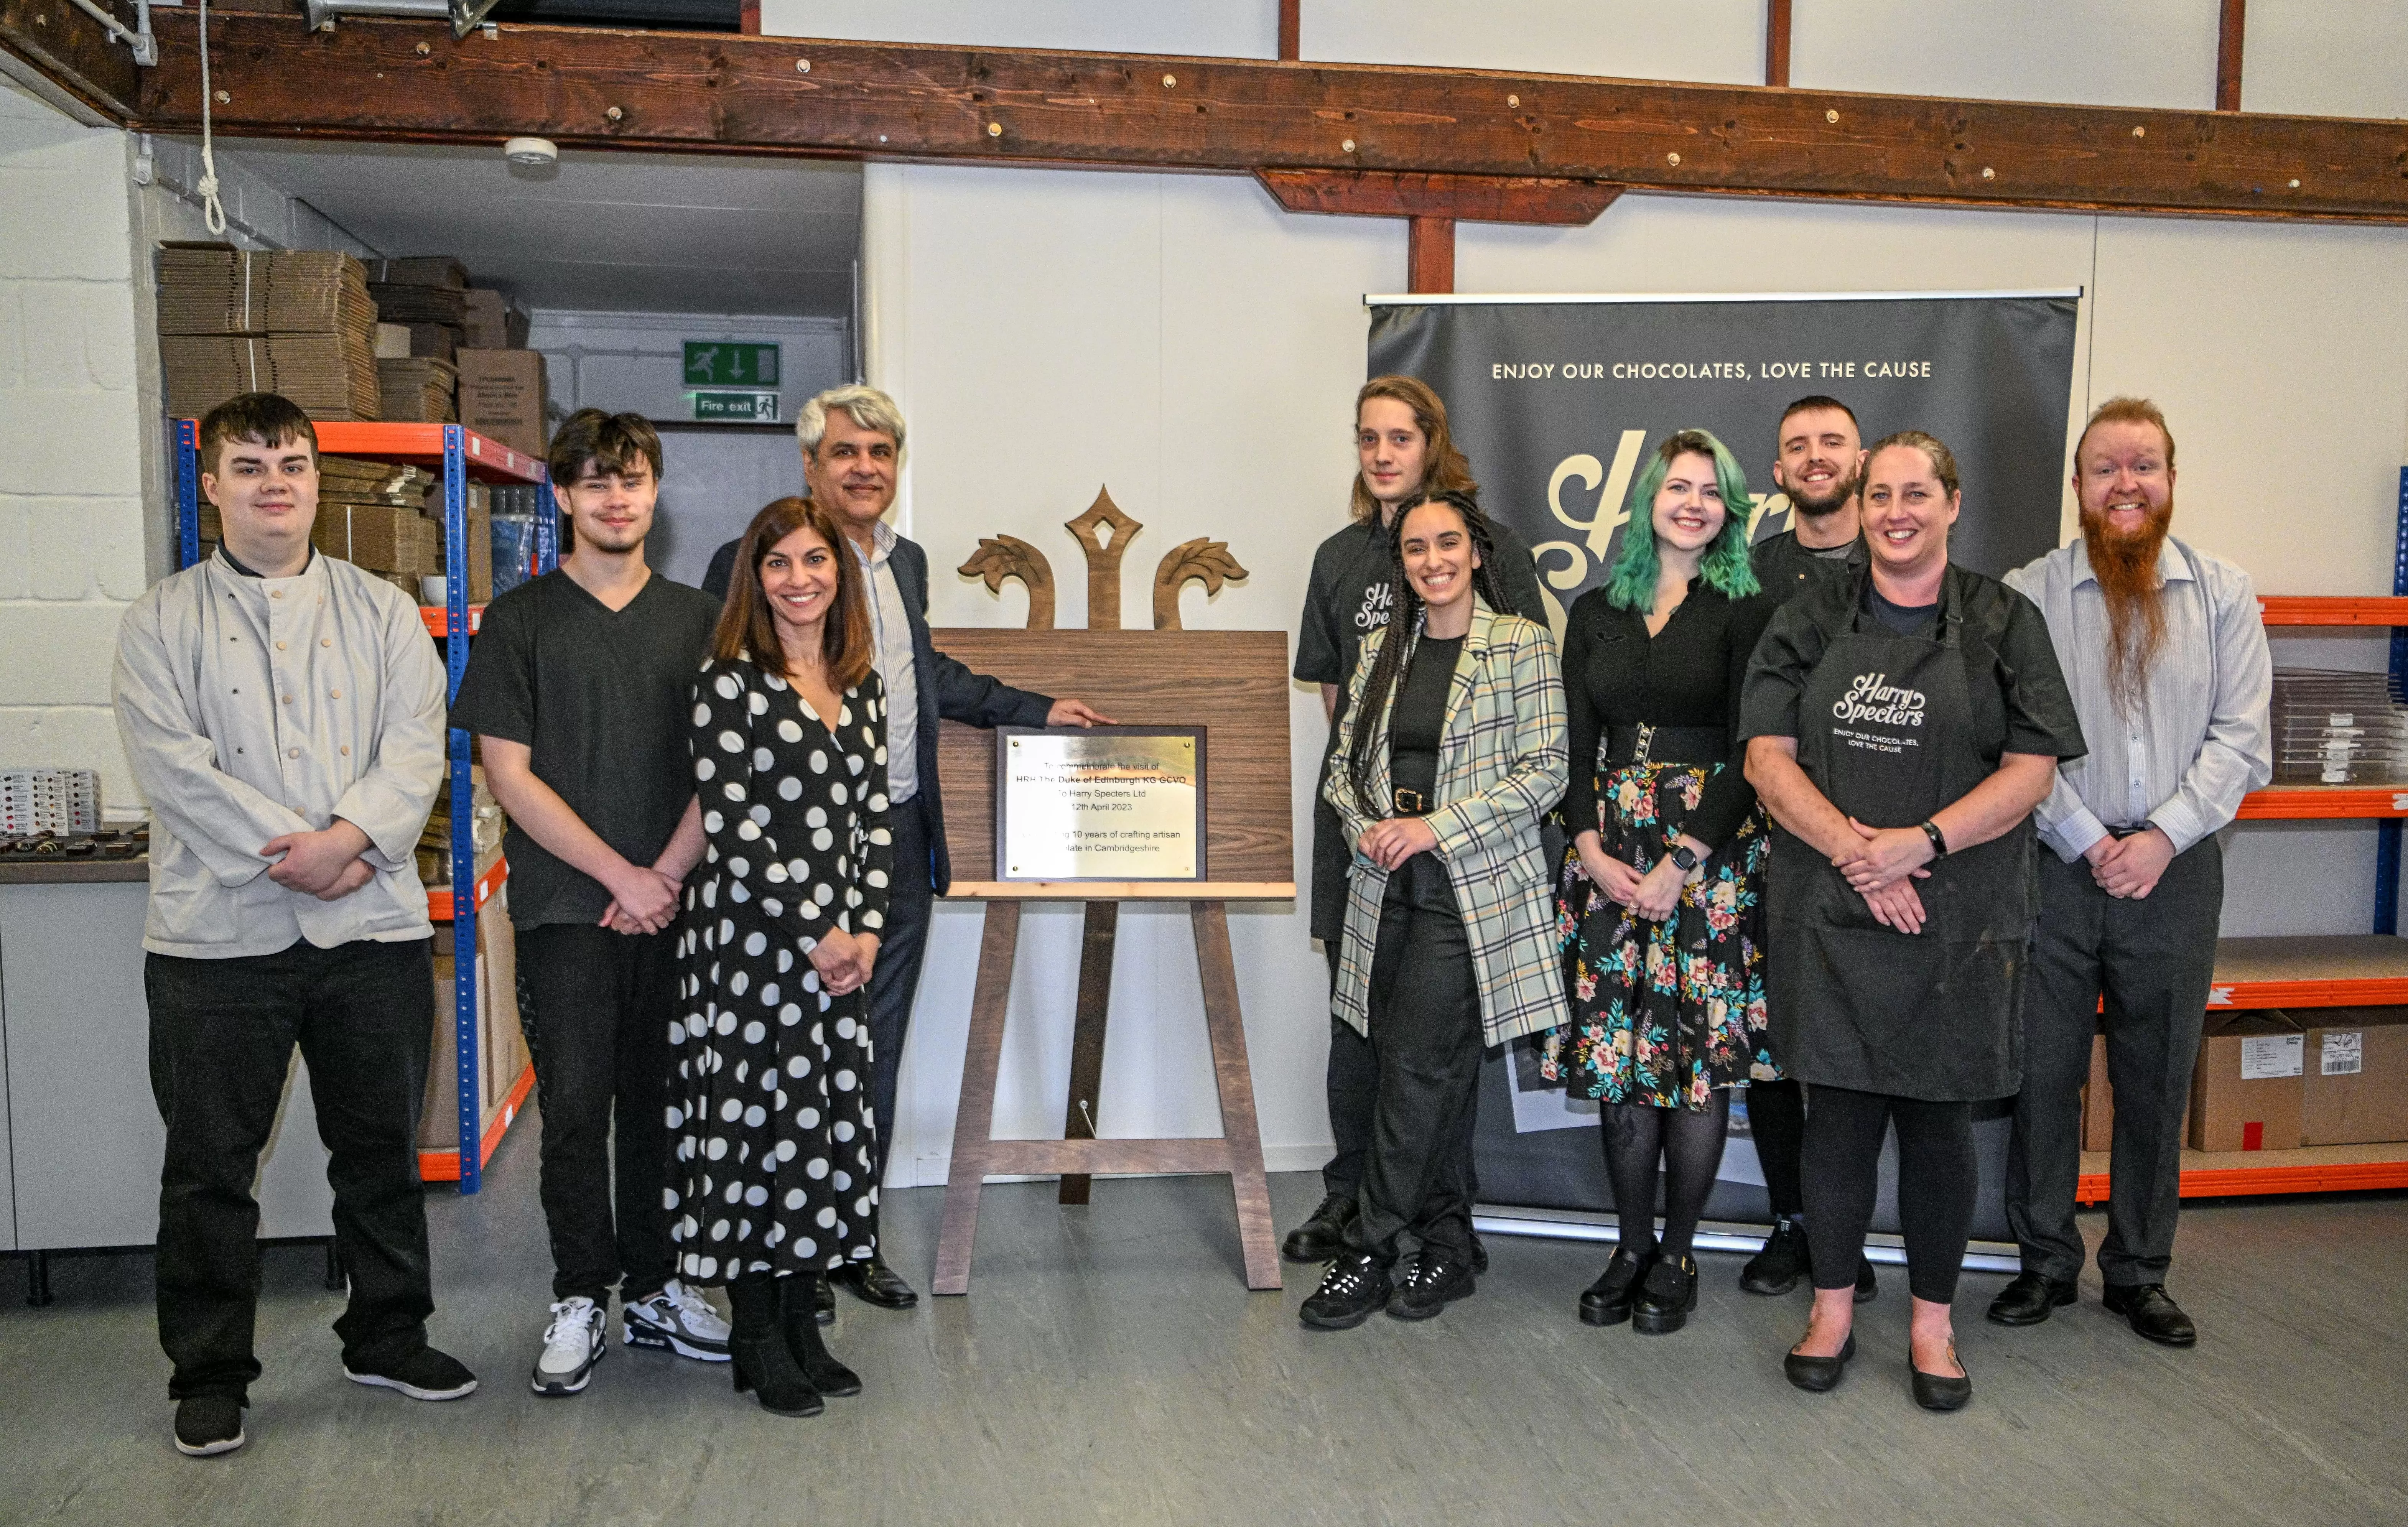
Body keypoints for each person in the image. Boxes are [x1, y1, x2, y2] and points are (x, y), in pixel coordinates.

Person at [113, 392, 476, 1458]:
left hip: (369, 929)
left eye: (295, 463)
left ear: (318, 481)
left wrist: (353, 836)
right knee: (210, 1164)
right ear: (213, 484)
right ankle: (211, 1370)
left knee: (379, 1147)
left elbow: (416, 747)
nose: (276, 481)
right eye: (251, 463)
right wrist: (308, 847)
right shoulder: (159, 621)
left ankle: (388, 1332)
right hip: (216, 937)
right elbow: (177, 772)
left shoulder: (383, 612)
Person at [709, 384, 1111, 1318]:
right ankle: (782, 1266)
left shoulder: (907, 562)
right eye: (845, 452)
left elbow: (924, 674)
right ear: (809, 465)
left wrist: (1033, 708)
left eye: (880, 453)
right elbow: (721, 702)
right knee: (790, 1054)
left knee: (873, 1050)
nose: (864, 468)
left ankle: (850, 1237)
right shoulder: (754, 563)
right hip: (795, 853)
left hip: (891, 834)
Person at [1741, 430, 2085, 1410]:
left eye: (1916, 493)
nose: (1896, 510)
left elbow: (2032, 768)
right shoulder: (1808, 618)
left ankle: (1933, 1324)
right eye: (1880, 492)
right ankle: (1834, 1310)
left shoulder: (2003, 621)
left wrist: (1920, 844)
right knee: (1838, 1121)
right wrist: (1863, 852)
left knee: (1941, 1126)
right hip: (1833, 911)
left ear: (1952, 503)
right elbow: (1768, 758)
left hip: (1960, 917)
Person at [449, 409, 733, 1398]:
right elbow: (509, 774)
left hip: (678, 904)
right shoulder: (522, 621)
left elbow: (725, 769)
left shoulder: (702, 621)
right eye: (598, 481)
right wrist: (623, 877)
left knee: (662, 1109)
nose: (619, 497)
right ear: (562, 496)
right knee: (575, 1110)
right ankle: (581, 1292)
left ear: (655, 493)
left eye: (636, 478)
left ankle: (656, 1290)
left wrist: (665, 875)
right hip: (568, 908)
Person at [1992, 398, 2272, 1348]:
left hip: (2178, 868)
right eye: (2105, 468)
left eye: (2142, 466)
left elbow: (2241, 740)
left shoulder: (2226, 593)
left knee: (2157, 1073)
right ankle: (2044, 1261)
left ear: (2170, 480)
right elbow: (2012, 736)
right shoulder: (2024, 594)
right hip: (2052, 865)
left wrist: (2160, 836)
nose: (2125, 484)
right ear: (2076, 486)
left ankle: (2141, 1270)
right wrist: (2082, 835)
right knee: (2043, 1070)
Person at [1284, 375, 1547, 1271]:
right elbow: (1338, 696)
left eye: (1401, 437)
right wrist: (1373, 813)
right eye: (1368, 438)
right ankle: (1348, 1190)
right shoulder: (1337, 558)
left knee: (1434, 1043)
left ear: (1433, 444)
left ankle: (1437, 1222)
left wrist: (1436, 817)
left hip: (1463, 840)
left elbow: (1519, 710)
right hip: (1363, 836)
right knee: (1354, 1026)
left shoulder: (1495, 548)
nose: (1383, 453)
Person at [1539, 429, 1777, 1336]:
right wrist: (1588, 846)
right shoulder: (1595, 609)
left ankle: (1678, 1251)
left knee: (1693, 1066)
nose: (1693, 503)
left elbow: (1756, 750)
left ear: (1730, 512)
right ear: (1647, 501)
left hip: (1707, 854)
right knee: (1617, 1060)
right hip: (1606, 848)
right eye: (1677, 486)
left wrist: (1681, 863)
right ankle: (1629, 1244)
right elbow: (1573, 744)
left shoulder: (1744, 609)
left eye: (1711, 492)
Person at [658, 495, 891, 1416]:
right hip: (754, 952)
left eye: (815, 560)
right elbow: (736, 826)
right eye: (779, 563)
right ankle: (756, 1333)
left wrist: (865, 927)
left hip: (840, 954)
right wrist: (817, 930)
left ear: (841, 570)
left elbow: (874, 815)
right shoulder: (728, 682)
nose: (800, 579)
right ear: (754, 579)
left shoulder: (860, 680)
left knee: (821, 1134)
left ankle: (802, 1322)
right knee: (755, 1134)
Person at [1740, 395, 1876, 1303]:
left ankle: (1847, 1235)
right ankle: (1792, 1224)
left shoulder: (1904, 561)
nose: (1815, 457)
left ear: (1860, 459)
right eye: (1797, 446)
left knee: (1861, 1049)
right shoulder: (1748, 574)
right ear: (1778, 470)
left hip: (1887, 850)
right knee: (1778, 1046)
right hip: (1771, 842)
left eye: (1832, 441)